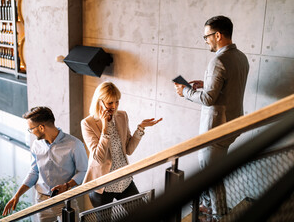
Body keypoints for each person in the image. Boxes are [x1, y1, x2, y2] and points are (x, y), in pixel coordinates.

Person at [174, 15, 249, 221]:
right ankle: (207, 209)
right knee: (211, 172)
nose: (205, 40)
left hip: (216, 129)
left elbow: (208, 99)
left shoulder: (218, 60)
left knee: (211, 176)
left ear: (217, 35)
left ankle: (218, 216)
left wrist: (185, 92)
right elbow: (226, 88)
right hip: (232, 124)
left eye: (206, 36)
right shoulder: (240, 57)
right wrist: (204, 83)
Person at [81, 81, 162, 208]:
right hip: (102, 185)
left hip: (124, 180)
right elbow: (98, 157)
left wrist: (140, 129)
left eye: (117, 101)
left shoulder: (122, 116)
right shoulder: (87, 123)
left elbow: (128, 150)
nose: (114, 106)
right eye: (110, 102)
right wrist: (104, 128)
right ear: (100, 102)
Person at [2, 106, 88, 222]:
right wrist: (17, 195)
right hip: (42, 199)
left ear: (41, 127)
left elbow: (83, 171)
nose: (31, 132)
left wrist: (67, 185)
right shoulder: (36, 145)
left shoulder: (74, 144)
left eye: (31, 129)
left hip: (65, 199)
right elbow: (34, 172)